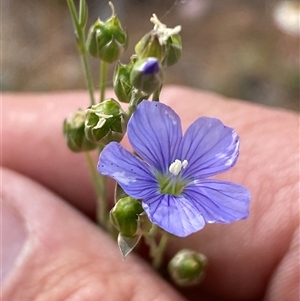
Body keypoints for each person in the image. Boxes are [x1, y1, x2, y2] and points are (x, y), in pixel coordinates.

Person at [1, 86, 299, 301]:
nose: (174, 177)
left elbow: (213, 191)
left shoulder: (181, 202)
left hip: (167, 198)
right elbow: (123, 166)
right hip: (150, 185)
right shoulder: (132, 170)